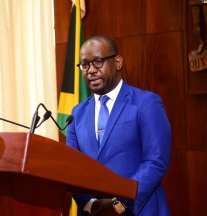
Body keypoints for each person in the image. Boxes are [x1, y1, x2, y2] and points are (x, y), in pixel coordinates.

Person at [66, 35, 172, 215]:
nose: (91, 70)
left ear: (117, 62)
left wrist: (119, 203)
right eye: (85, 65)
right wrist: (91, 205)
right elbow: (71, 166)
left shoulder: (146, 103)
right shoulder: (77, 113)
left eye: (98, 62)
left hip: (138, 209)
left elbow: (156, 161)